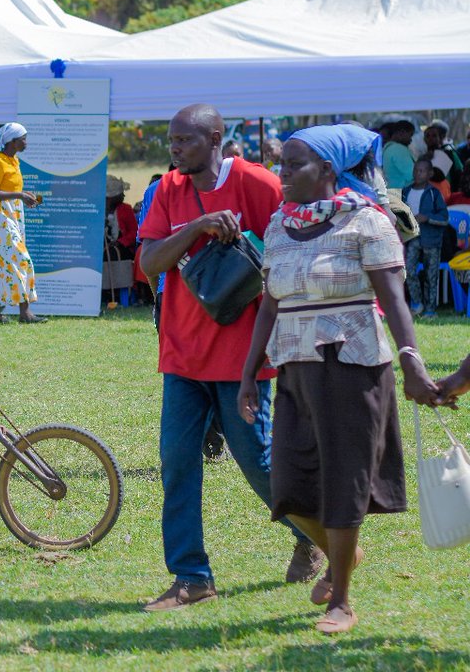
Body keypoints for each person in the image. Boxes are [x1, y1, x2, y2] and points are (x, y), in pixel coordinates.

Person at [238, 124, 443, 634]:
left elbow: (393, 299)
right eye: (281, 164)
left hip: (353, 367)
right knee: (287, 482)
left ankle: (342, 603)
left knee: (344, 479)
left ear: (328, 170)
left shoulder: (367, 222)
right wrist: (248, 373)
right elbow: (269, 305)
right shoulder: (280, 226)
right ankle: (341, 554)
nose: (282, 174)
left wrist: (412, 358)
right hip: (294, 369)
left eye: (294, 165)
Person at [138, 103, 321, 613]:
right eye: (171, 141)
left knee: (258, 463)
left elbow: (293, 252)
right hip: (182, 354)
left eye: (185, 141)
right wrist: (195, 228)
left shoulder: (258, 183)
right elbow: (150, 262)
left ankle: (322, 536)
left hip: (244, 359)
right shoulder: (169, 190)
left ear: (216, 137)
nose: (174, 150)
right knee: (176, 463)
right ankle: (192, 576)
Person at [0, 122, 45, 324]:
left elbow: (10, 189)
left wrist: (25, 197)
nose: (26, 142)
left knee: (0, 262)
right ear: (13, 141)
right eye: (23, 138)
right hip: (0, 216)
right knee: (22, 259)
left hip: (13, 214)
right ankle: (25, 313)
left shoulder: (13, 161)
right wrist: (19, 195)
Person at [401, 156, 449, 317]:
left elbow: (444, 218)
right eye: (415, 170)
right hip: (412, 237)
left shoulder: (434, 193)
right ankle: (417, 303)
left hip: (432, 239)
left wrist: (427, 217)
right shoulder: (406, 191)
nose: (417, 173)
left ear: (430, 174)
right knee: (409, 270)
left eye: (421, 171)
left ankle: (430, 309)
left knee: (431, 275)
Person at [422, 119, 462, 197]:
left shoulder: (449, 153)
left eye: (434, 136)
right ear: (424, 139)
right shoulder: (423, 157)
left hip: (448, 194)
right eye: (427, 136)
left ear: (440, 138)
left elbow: (459, 172)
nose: (430, 138)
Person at [104, 175, 138, 260]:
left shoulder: (126, 209)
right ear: (110, 197)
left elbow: (135, 232)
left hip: (122, 250)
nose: (123, 196)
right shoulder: (98, 210)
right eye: (120, 194)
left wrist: (120, 242)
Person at [380, 118, 416, 189]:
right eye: (410, 135)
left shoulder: (387, 148)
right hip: (403, 193)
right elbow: (413, 174)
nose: (411, 139)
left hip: (392, 191)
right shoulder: (398, 149)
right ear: (402, 132)